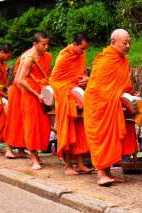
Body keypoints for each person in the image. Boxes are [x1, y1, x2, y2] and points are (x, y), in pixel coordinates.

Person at [83, 29, 137, 186]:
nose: (128, 46)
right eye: (124, 43)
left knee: (112, 140)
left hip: (112, 104)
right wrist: (112, 98)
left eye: (129, 42)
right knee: (101, 137)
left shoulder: (123, 61)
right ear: (113, 43)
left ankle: (108, 173)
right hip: (99, 106)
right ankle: (101, 175)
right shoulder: (105, 60)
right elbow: (95, 88)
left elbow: (121, 84)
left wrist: (129, 93)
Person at [49, 32, 93, 176]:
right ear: (74, 44)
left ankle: (80, 164)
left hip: (77, 91)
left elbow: (79, 74)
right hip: (64, 94)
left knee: (80, 128)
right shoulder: (64, 56)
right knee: (67, 129)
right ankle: (68, 165)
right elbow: (54, 79)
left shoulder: (80, 54)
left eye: (85, 49)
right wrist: (67, 91)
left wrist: (86, 80)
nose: (84, 52)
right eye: (82, 48)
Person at [17, 32, 51, 170]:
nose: (46, 47)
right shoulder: (28, 59)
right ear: (35, 44)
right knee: (32, 125)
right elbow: (20, 80)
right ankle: (33, 158)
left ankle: (37, 154)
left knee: (43, 124)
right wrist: (36, 94)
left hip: (43, 93)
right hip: (31, 95)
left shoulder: (47, 56)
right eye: (43, 44)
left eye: (48, 43)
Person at [3, 48, 34, 159]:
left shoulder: (41, 56)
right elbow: (18, 79)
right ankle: (9, 149)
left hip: (27, 92)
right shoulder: (27, 57)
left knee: (23, 122)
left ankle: (21, 149)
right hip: (19, 91)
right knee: (14, 120)